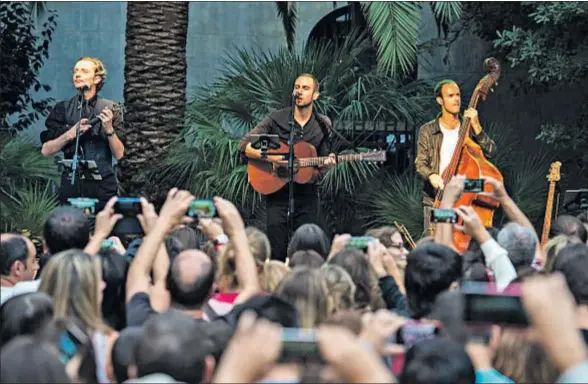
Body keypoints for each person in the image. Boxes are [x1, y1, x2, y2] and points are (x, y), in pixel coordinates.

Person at [238, 73, 336, 261]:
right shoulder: (277, 118)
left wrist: (326, 165)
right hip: (277, 193)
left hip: (307, 195)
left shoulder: (323, 124)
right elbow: (244, 145)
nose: (299, 92)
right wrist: (274, 158)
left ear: (315, 95)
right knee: (277, 247)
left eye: (305, 88)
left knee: (307, 248)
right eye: (297, 87)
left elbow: (319, 166)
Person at [40, 56, 125, 211]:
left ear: (97, 79)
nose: (77, 75)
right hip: (71, 182)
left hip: (103, 184)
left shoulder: (112, 108)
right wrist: (70, 133)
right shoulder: (63, 109)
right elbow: (46, 151)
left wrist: (109, 130)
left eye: (84, 71)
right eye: (75, 71)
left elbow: (120, 155)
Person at [415, 80, 497, 233]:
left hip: (467, 200)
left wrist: (477, 126)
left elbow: (491, 152)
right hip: (437, 198)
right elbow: (420, 163)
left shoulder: (469, 127)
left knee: (467, 246)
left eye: (458, 95)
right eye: (450, 95)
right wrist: (431, 175)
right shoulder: (427, 130)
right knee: (438, 245)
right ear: (440, 100)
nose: (456, 99)